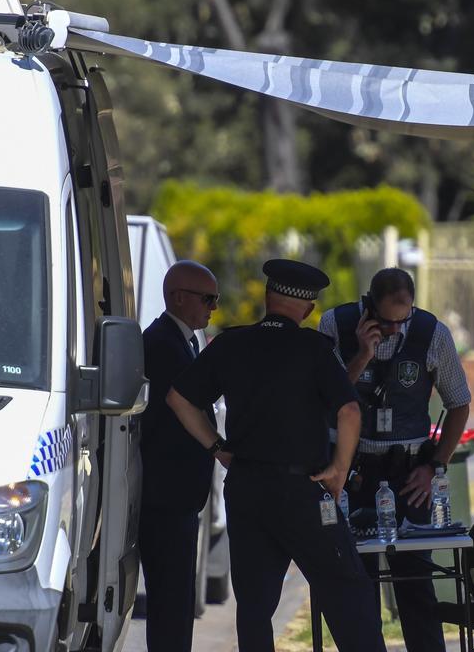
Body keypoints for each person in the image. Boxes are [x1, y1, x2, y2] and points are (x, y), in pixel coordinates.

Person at [167, 259, 386, 652]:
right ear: (307, 308)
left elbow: (178, 398)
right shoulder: (313, 348)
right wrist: (338, 469)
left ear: (268, 297)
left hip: (247, 487)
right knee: (348, 592)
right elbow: (349, 411)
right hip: (302, 490)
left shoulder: (232, 343)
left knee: (254, 606)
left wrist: (218, 448)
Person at [319, 267, 472, 652]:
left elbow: (459, 404)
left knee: (416, 581)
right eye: (386, 323)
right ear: (368, 306)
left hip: (409, 471)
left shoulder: (431, 333)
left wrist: (435, 465)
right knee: (357, 581)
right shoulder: (336, 325)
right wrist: (363, 354)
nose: (394, 330)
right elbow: (322, 397)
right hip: (353, 471)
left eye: (401, 322)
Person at [137, 260, 220, 652]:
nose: (213, 308)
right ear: (178, 297)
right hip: (165, 497)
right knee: (171, 601)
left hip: (177, 497)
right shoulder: (162, 344)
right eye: (208, 299)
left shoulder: (182, 342)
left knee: (177, 600)